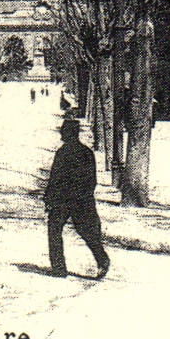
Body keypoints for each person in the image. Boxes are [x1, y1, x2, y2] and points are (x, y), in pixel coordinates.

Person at [43, 118, 109, 279]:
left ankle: (59, 269)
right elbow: (92, 179)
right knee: (88, 232)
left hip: (63, 200)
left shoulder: (63, 152)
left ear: (67, 133)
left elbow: (55, 178)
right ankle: (102, 260)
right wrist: (86, 196)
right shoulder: (87, 152)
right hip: (82, 199)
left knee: (54, 229)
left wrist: (49, 198)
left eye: (63, 132)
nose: (61, 135)